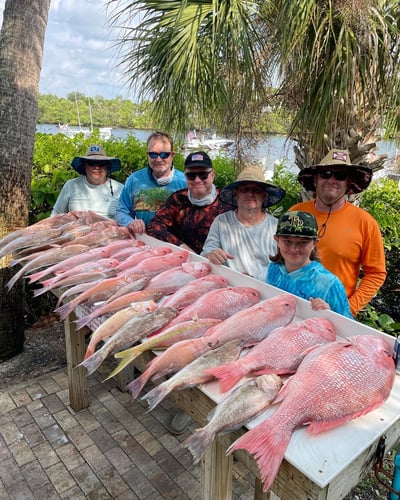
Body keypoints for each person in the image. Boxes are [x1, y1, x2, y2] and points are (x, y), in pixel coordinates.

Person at [290, 148, 386, 316]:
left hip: (335, 314)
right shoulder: (295, 213)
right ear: (315, 178)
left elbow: (376, 273)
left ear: (348, 183)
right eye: (326, 173)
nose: (332, 180)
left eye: (340, 175)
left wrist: (348, 308)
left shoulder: (365, 222)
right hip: (293, 306)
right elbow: (278, 257)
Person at [201, 165, 285, 280]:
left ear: (264, 195)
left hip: (267, 291)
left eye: (256, 190)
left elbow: (287, 265)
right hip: (229, 288)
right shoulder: (221, 221)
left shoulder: (276, 226)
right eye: (245, 189)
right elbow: (206, 254)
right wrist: (212, 255)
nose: (250, 194)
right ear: (236, 194)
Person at [267, 211, 353, 318]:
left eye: (303, 242)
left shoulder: (329, 284)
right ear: (277, 240)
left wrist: (329, 314)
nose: (294, 248)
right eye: (287, 241)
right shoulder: (273, 268)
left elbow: (348, 328)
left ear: (315, 243)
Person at [146, 151, 228, 254]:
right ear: (185, 177)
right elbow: (154, 226)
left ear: (212, 175)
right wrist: (181, 246)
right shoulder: (178, 199)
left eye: (203, 175)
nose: (197, 180)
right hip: (183, 260)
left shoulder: (226, 203)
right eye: (191, 175)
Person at [116, 131, 186, 234]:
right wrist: (130, 222)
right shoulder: (134, 180)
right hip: (145, 241)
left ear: (172, 155)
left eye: (164, 154)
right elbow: (122, 211)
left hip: (177, 244)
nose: (158, 159)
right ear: (147, 155)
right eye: (153, 154)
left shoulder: (185, 181)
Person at [51, 144, 124, 220]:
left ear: (107, 166)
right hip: (77, 231)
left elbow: (127, 218)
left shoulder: (120, 189)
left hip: (109, 230)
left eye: (102, 163)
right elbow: (56, 214)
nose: (97, 167)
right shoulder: (71, 185)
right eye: (92, 163)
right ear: (85, 165)